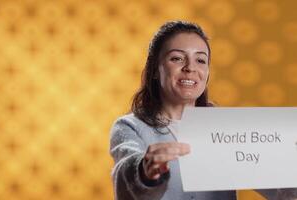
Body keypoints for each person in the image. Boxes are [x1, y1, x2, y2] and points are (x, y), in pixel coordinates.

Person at [109, 20, 297, 200]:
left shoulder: (226, 130)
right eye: (177, 58)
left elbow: (282, 190)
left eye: (200, 60)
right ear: (155, 69)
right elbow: (127, 176)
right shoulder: (129, 127)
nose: (190, 68)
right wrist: (144, 171)